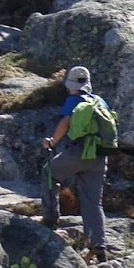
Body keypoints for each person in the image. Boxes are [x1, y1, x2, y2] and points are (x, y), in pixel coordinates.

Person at [41, 66, 109, 253]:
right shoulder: (100, 101)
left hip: (78, 153)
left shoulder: (73, 101)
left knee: (49, 172)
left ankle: (50, 217)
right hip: (99, 157)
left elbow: (65, 123)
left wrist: (52, 142)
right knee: (93, 202)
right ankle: (99, 244)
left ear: (70, 83)